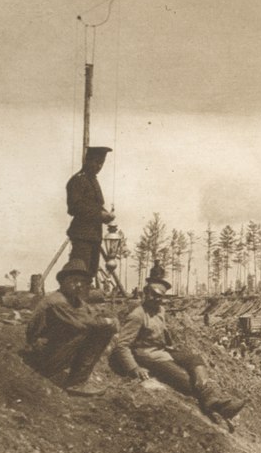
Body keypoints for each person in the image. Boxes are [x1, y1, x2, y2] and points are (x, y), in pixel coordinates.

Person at [112, 277, 246, 421]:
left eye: (159, 297)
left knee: (195, 359)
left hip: (162, 350)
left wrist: (170, 345)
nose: (156, 299)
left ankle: (210, 400)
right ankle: (213, 404)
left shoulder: (160, 310)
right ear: (145, 293)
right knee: (184, 379)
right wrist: (134, 368)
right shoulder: (137, 315)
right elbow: (122, 345)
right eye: (152, 295)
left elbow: (162, 331)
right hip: (147, 355)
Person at [24, 258, 118, 396]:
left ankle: (73, 375)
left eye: (82, 281)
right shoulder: (57, 301)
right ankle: (76, 382)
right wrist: (110, 322)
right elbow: (85, 323)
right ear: (63, 281)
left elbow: (93, 314)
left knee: (97, 328)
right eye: (74, 280)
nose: (79, 285)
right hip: (42, 354)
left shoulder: (74, 300)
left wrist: (109, 319)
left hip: (53, 348)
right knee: (91, 330)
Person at [66, 146, 115, 280]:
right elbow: (74, 207)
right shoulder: (78, 180)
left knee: (91, 273)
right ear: (87, 161)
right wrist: (100, 215)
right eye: (96, 162)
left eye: (101, 163)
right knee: (79, 272)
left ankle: (84, 298)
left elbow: (96, 205)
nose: (99, 166)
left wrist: (106, 215)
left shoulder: (93, 180)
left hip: (94, 236)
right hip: (82, 236)